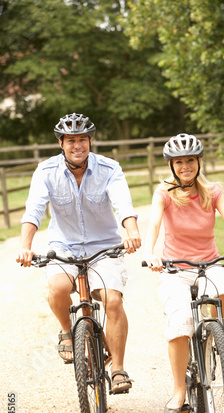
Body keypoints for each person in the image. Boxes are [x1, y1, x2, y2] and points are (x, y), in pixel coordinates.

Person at [16, 112, 141, 394]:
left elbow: (123, 204)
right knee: (58, 288)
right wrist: (25, 246)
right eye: (70, 140)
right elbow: (33, 211)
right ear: (61, 143)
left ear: (90, 141)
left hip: (104, 247)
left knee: (111, 301)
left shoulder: (110, 169)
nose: (77, 145)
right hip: (64, 246)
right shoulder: (46, 171)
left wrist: (131, 231)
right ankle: (66, 331)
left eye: (82, 139)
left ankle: (118, 369)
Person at [144, 133, 224, 413]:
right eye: (179, 162)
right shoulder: (164, 193)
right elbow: (154, 224)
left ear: (199, 162)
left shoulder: (212, 191)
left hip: (208, 262)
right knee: (180, 323)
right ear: (171, 165)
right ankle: (179, 390)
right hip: (174, 267)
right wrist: (150, 253)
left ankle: (220, 334)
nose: (186, 166)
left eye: (191, 161)